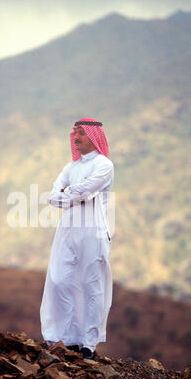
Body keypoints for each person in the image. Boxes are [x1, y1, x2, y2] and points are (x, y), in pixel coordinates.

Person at [40, 117, 114, 359]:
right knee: (60, 280)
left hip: (92, 232)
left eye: (81, 132)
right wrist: (71, 193)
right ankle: (67, 338)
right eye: (74, 133)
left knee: (91, 286)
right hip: (67, 232)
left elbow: (86, 191)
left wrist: (67, 193)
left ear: (93, 136)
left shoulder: (104, 165)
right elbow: (53, 198)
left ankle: (88, 344)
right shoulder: (70, 168)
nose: (76, 137)